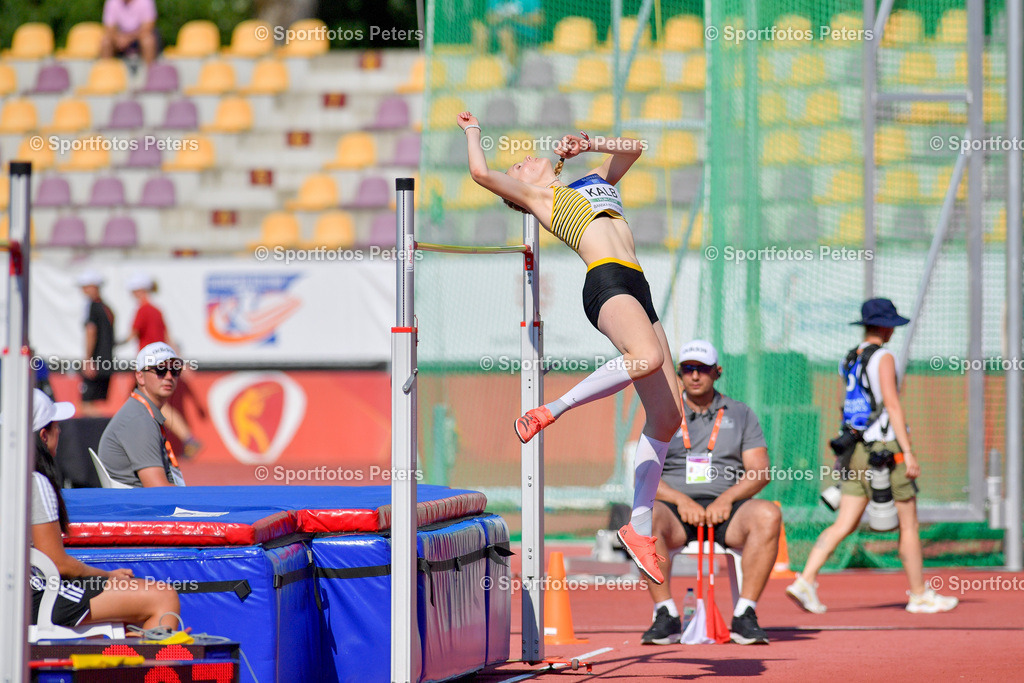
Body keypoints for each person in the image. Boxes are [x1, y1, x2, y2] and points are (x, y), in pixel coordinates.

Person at [457, 111, 682, 584]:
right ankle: (551, 410)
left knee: (669, 417)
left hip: (638, 285)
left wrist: (588, 143)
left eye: (522, 160)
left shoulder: (591, 180)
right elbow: (480, 173)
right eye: (517, 167)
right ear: (521, 189)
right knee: (648, 358)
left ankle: (639, 528)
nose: (523, 160)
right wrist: (474, 132)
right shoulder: (540, 198)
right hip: (606, 281)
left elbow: (635, 148)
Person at [786, 298, 958, 614]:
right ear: (884, 326)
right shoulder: (883, 357)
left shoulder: (849, 358)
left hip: (855, 450)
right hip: (884, 449)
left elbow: (850, 406)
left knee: (844, 523)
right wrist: (908, 452)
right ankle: (919, 594)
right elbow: (891, 404)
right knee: (908, 524)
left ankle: (805, 579)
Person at [640, 340, 779, 646]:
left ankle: (745, 614)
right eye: (688, 368)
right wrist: (681, 500)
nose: (695, 375)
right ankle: (665, 614)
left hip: (730, 511)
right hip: (675, 512)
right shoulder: (663, 413)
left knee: (769, 514)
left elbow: (759, 471)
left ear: (718, 372)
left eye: (702, 369)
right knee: (642, 517)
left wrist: (727, 499)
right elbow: (645, 474)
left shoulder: (741, 413)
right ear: (679, 373)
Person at [24, 388, 181, 630]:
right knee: (163, 597)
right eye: (56, 426)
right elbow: (58, 564)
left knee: (131, 610)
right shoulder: (35, 482)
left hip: (20, 592)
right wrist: (107, 575)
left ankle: (137, 647)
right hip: (33, 597)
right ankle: (149, 654)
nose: (61, 431)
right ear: (43, 436)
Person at [122, 272, 203, 458]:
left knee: (149, 403)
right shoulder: (157, 311)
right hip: (160, 363)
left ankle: (187, 439)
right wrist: (181, 361)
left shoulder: (143, 310)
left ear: (139, 290)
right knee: (151, 404)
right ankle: (184, 439)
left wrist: (112, 343)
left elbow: (132, 334)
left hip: (149, 365)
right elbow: (168, 338)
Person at [98, 342, 186, 488]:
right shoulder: (139, 419)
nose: (169, 376)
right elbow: (158, 489)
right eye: (160, 370)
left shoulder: (142, 412)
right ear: (140, 377)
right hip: (141, 502)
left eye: (175, 370)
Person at [471, 0, 544, 78]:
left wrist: (517, 18)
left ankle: (512, 72)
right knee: (480, 33)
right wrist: (501, 18)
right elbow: (489, 17)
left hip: (524, 34)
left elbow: (539, 19)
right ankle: (481, 70)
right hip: (498, 32)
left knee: (505, 34)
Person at [78, 270, 115, 417]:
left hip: (96, 362)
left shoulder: (93, 306)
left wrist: (88, 360)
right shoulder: (107, 308)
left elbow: (91, 332)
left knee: (86, 405)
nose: (82, 290)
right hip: (106, 361)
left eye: (85, 286)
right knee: (97, 404)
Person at [100, 0, 159, 66]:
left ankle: (150, 69)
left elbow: (148, 27)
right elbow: (109, 28)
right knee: (106, 41)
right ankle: (105, 70)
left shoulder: (146, 1)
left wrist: (128, 39)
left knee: (148, 40)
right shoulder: (112, 2)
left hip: (138, 37)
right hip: (120, 38)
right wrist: (117, 38)